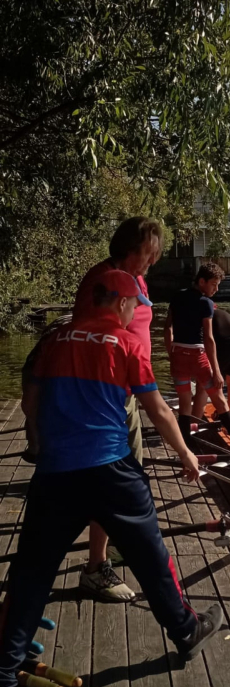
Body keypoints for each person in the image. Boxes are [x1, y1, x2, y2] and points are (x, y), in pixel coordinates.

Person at [0, 270, 223, 687]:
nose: (135, 312)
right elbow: (157, 409)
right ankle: (186, 631)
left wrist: (38, 443)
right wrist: (185, 454)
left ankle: (1, 681)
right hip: (111, 471)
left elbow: (30, 400)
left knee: (30, 575)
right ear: (120, 303)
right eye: (135, 304)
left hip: (56, 473)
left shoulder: (54, 338)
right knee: (152, 559)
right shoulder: (125, 343)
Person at [21, 217, 164, 602]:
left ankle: (107, 550)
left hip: (127, 393)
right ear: (130, 248)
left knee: (121, 481)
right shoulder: (101, 281)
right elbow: (87, 341)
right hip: (107, 399)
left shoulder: (135, 280)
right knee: (111, 483)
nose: (152, 261)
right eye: (148, 253)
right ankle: (96, 567)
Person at [164, 263, 230, 453]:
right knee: (220, 401)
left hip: (178, 357)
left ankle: (185, 447)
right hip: (198, 358)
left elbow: (167, 329)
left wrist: (172, 354)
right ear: (201, 281)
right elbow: (209, 339)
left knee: (184, 404)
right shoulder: (206, 303)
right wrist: (217, 371)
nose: (216, 289)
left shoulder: (177, 296)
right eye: (214, 284)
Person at [192, 307, 230, 421]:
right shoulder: (222, 313)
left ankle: (195, 421)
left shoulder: (203, 317)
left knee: (202, 384)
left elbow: (206, 342)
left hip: (225, 345)